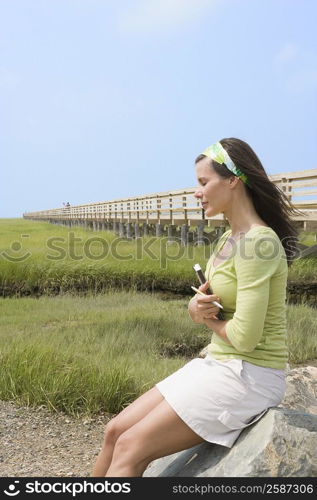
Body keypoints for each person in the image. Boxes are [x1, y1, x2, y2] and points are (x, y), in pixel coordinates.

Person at [91, 137, 301, 477]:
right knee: (115, 431)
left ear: (233, 180)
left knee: (131, 447)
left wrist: (208, 324)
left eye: (204, 183)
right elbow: (215, 302)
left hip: (251, 374)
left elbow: (246, 338)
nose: (196, 192)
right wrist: (196, 307)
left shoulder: (259, 242)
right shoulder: (227, 239)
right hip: (220, 362)